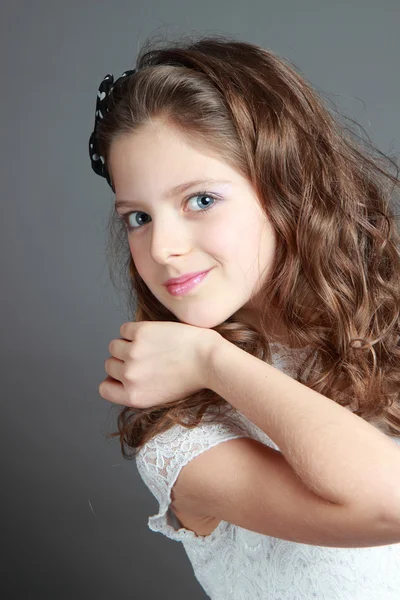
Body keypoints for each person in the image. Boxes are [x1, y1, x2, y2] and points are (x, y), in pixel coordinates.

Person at [88, 34, 400, 599]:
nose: (161, 248)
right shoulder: (182, 440)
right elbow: (391, 502)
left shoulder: (388, 322)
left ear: (288, 185)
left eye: (200, 200)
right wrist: (212, 359)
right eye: (138, 217)